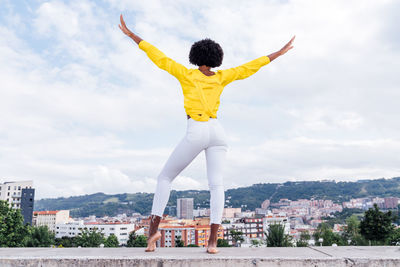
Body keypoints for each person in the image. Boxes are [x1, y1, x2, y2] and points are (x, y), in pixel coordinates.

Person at [118, 14, 295, 253]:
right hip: (218, 132)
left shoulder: (186, 74)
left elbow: (157, 55)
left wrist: (131, 36)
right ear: (216, 58)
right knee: (216, 185)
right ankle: (212, 243)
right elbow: (251, 66)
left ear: (194, 57)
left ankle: (152, 233)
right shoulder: (222, 77)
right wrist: (278, 53)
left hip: (197, 129)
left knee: (165, 178)